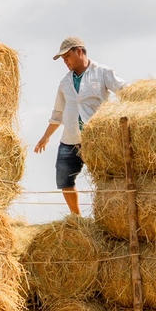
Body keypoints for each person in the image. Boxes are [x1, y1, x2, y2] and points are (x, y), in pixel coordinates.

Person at [33, 36, 125, 215]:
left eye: (67, 56)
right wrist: (45, 137)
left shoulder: (102, 72)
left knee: (105, 179)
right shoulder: (64, 82)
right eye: (63, 59)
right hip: (70, 139)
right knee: (64, 179)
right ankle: (77, 219)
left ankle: (108, 217)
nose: (65, 61)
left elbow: (125, 89)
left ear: (80, 51)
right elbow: (57, 114)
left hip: (96, 139)